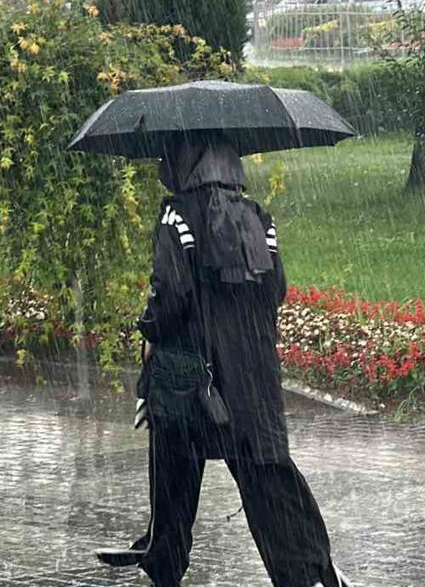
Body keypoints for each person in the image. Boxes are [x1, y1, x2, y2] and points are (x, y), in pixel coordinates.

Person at [96, 137, 352, 587]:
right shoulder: (258, 218)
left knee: (174, 466)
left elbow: (171, 295)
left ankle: (164, 558)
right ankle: (307, 569)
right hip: (252, 372)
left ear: (185, 162)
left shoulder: (177, 217)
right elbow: (275, 289)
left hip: (190, 373)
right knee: (266, 471)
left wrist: (149, 326)